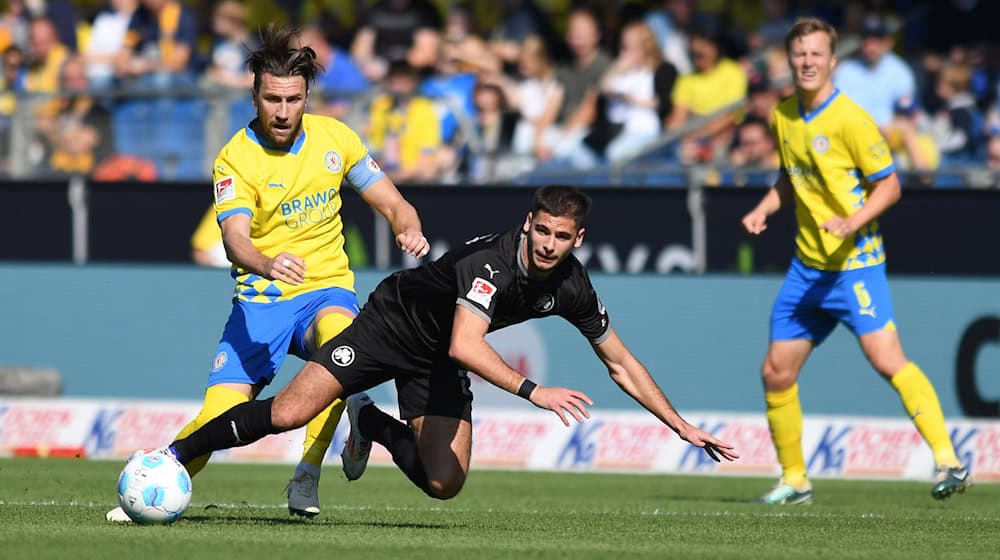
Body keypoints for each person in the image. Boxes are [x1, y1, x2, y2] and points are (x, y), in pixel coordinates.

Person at [158, 185, 738, 504]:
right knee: (288, 412)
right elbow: (467, 344)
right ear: (528, 222)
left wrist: (680, 426)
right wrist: (531, 390)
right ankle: (172, 457)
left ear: (577, 239)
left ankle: (373, 425)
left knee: (444, 484)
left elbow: (621, 362)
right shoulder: (493, 263)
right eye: (541, 231)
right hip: (391, 325)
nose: (547, 245)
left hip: (435, 357)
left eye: (562, 238)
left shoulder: (572, 284)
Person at [106, 23, 430, 522]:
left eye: (294, 99)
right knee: (216, 417)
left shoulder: (336, 138)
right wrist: (265, 262)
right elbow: (235, 239)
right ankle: (155, 486)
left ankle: (307, 472)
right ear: (254, 95)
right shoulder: (234, 159)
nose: (283, 112)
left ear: (307, 96)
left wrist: (408, 227)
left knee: (335, 349)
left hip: (326, 289)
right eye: (273, 99)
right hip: (260, 303)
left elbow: (393, 202)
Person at [740, 17, 970, 505]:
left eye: (816, 54)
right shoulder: (782, 116)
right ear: (790, 60)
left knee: (887, 359)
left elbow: (890, 185)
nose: (807, 62)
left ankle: (949, 459)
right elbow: (790, 177)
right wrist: (765, 206)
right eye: (799, 54)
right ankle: (795, 480)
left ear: (832, 62)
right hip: (807, 268)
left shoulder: (852, 120)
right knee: (775, 372)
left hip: (856, 265)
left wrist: (851, 221)